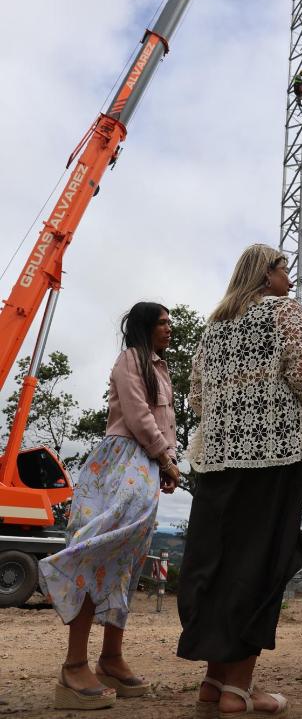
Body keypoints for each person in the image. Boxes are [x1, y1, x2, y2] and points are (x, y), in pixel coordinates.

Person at [177, 243, 302, 718]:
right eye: (284, 270)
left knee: (219, 565)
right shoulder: (284, 312)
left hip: (218, 460)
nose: (289, 281)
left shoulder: (213, 326)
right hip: (274, 457)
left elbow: (197, 398)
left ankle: (214, 681)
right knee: (260, 563)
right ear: (265, 275)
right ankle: (238, 691)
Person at [39, 301, 180, 711]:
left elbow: (165, 424)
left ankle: (111, 658)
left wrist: (166, 462)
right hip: (120, 461)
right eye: (162, 322)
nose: (169, 328)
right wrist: (165, 459)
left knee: (128, 559)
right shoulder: (130, 360)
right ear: (144, 327)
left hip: (145, 464)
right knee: (97, 549)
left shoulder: (161, 368)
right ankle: (73, 665)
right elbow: (138, 416)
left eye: (170, 322)